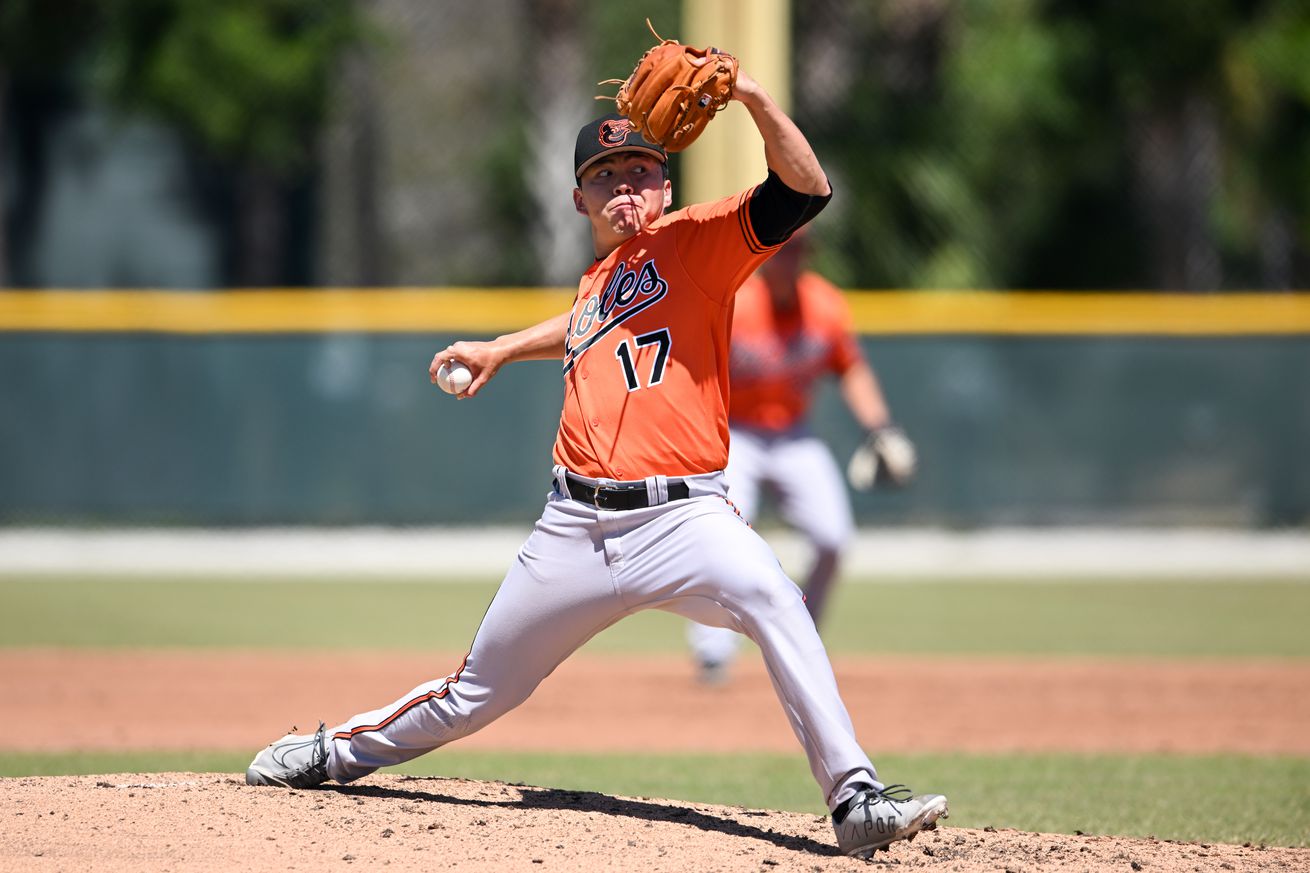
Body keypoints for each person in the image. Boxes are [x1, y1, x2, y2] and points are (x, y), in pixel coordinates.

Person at [244, 64, 947, 858]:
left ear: (666, 185)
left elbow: (806, 188)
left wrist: (750, 95)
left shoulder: (700, 244)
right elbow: (585, 322)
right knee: (477, 692)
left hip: (685, 517)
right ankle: (335, 751)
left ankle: (853, 796)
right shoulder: (598, 282)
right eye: (603, 175)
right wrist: (504, 348)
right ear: (579, 200)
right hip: (573, 527)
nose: (623, 185)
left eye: (640, 170)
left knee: (775, 598)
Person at [687, 231, 916, 684]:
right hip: (736, 435)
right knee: (721, 538)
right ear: (765, 254)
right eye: (783, 249)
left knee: (832, 538)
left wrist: (881, 427)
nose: (792, 259)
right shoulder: (734, 303)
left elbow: (851, 368)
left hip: (794, 436)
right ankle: (713, 649)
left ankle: (801, 636)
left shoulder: (825, 306)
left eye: (800, 250)